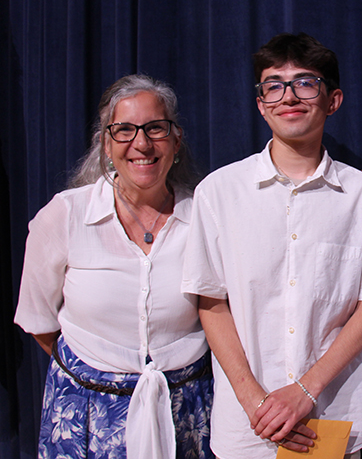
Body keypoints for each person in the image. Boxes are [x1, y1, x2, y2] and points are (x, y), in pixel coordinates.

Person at [181, 33, 362, 458]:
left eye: (305, 83)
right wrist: (256, 401)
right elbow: (211, 302)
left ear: (332, 100)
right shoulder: (219, 193)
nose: (289, 96)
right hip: (247, 425)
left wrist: (305, 390)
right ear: (261, 102)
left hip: (333, 416)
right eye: (274, 85)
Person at [14, 74, 213, 458]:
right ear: (106, 144)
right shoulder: (66, 215)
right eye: (124, 130)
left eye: (155, 128)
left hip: (186, 414)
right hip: (85, 415)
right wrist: (102, 380)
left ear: (176, 140)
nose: (141, 143)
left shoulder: (205, 216)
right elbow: (40, 322)